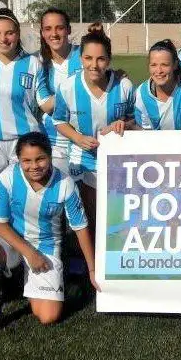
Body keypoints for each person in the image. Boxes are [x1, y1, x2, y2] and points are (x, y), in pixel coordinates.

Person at [0, 132, 98, 336]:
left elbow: (80, 228)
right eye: (27, 161)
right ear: (19, 160)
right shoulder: (7, 177)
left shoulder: (65, 183)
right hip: (11, 239)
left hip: (46, 244)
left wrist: (92, 271)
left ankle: (63, 279)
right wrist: (30, 254)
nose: (34, 166)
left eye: (40, 158)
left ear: (50, 156)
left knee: (48, 317)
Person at [53, 23, 135, 226]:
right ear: (80, 58)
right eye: (88, 58)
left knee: (115, 216)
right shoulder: (68, 87)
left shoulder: (124, 85)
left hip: (117, 160)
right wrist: (78, 138)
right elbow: (59, 121)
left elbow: (136, 120)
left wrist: (123, 124)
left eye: (100, 59)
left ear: (109, 60)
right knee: (89, 215)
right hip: (83, 159)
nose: (94, 65)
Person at [0, 8, 53, 179]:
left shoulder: (32, 63)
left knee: (23, 194)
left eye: (9, 33)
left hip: (25, 142)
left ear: (17, 34)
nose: (3, 39)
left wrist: (74, 87)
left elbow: (45, 102)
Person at [38, 7, 82, 175]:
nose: (54, 33)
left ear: (68, 30)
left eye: (60, 28)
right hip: (53, 144)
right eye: (48, 29)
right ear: (42, 33)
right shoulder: (38, 62)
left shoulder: (84, 54)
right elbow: (46, 105)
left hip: (85, 141)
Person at [134, 39, 181, 133]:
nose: (159, 71)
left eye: (165, 65)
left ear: (175, 65)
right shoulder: (140, 94)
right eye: (153, 65)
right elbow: (143, 133)